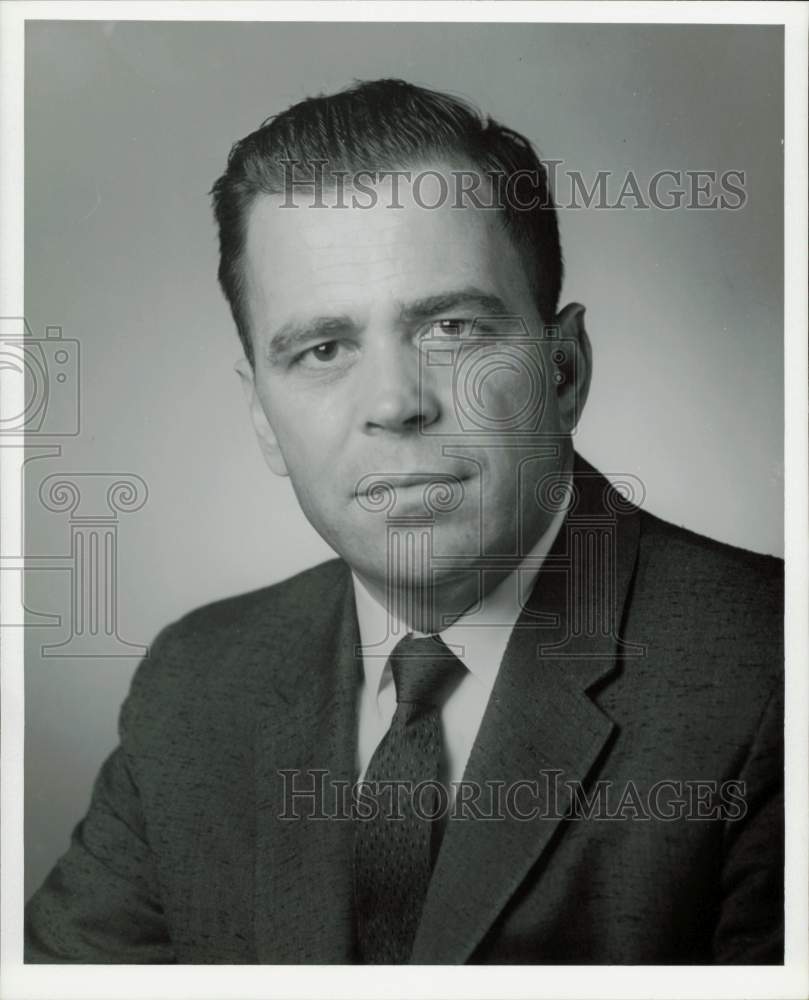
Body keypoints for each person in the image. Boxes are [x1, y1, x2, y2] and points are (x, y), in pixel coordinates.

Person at [24, 79, 783, 964]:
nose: (394, 401)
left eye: (452, 327)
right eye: (323, 349)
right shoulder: (195, 685)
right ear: (264, 417)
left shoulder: (772, 676)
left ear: (564, 369)